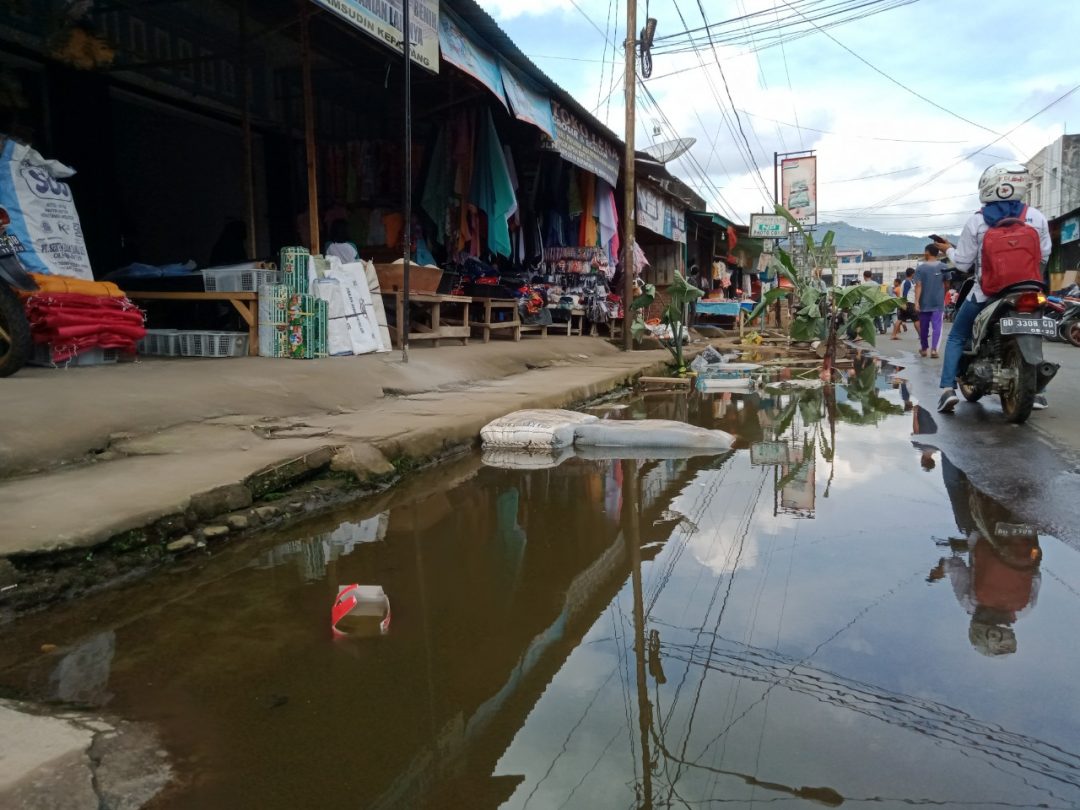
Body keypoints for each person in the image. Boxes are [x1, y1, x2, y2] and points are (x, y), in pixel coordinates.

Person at [934, 162, 1052, 413]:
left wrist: (948, 250)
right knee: (1034, 332)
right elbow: (1044, 256)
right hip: (1028, 290)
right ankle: (1039, 392)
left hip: (987, 292)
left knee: (956, 335)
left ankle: (947, 390)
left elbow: (964, 263)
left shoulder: (977, 221)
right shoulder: (1036, 217)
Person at [914, 244, 948, 357]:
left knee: (924, 327)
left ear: (927, 252)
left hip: (924, 303)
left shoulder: (920, 268)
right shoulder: (944, 266)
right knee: (937, 326)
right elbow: (947, 283)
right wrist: (941, 294)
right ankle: (934, 350)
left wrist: (917, 302)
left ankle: (924, 349)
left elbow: (918, 286)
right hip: (938, 302)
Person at [890, 267, 917, 339]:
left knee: (900, 319)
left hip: (905, 303)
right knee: (916, 319)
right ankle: (922, 336)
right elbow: (905, 293)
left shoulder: (907, 282)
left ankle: (893, 335)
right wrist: (904, 303)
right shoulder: (907, 282)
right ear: (912, 274)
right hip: (908, 303)